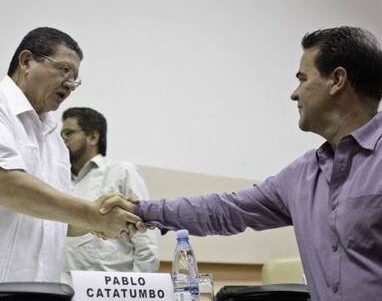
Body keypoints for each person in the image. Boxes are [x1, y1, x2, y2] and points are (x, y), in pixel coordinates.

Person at [127, 26, 382, 300]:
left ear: (337, 80)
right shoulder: (302, 175)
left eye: (303, 79)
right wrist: (140, 210)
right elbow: (223, 210)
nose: (295, 94)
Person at [0, 27, 139, 283]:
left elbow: (60, 223)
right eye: (64, 69)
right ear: (26, 61)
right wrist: (90, 213)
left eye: (75, 77)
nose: (71, 84)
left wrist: (102, 219)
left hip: (46, 288)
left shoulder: (55, 141)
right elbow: (2, 183)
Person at [60, 107, 159, 284]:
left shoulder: (121, 172)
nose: (63, 140)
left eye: (69, 133)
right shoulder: (59, 180)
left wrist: (137, 291)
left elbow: (145, 237)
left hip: (111, 290)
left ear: (93, 137)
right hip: (65, 288)